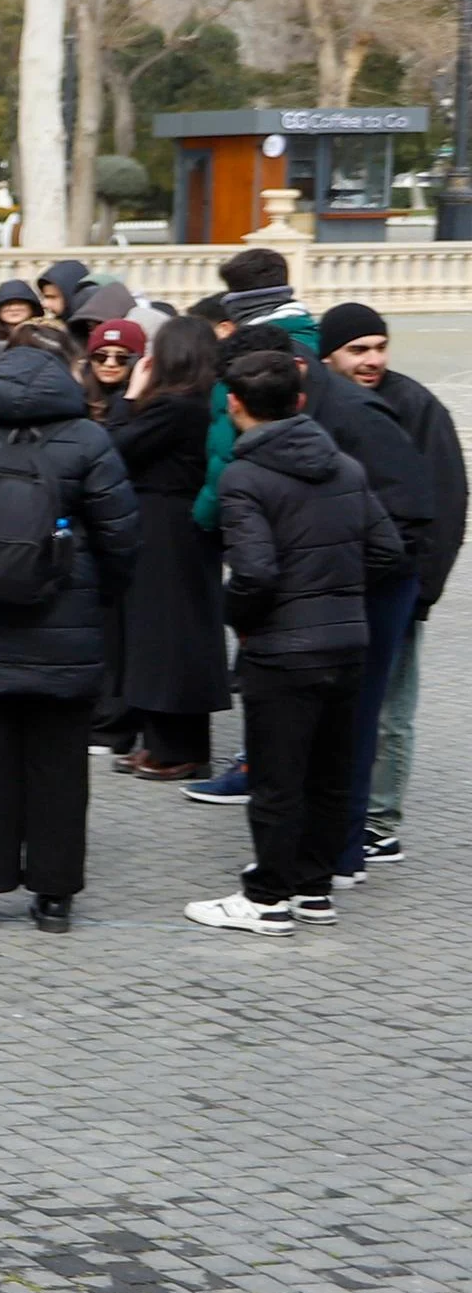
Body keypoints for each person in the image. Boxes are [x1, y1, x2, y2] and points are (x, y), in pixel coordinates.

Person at [0, 327, 138, 932]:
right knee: (60, 767)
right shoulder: (89, 440)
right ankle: (54, 897)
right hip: (66, 630)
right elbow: (121, 538)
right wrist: (96, 597)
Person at [190, 349, 404, 935]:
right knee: (330, 773)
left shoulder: (244, 476)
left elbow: (254, 573)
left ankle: (266, 898)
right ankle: (315, 889)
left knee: (278, 778)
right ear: (300, 401)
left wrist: (242, 618)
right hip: (346, 643)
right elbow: (387, 552)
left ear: (234, 404)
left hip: (282, 649)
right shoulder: (345, 467)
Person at [313, 304, 460, 877]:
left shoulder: (418, 407)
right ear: (330, 356)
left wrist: (422, 591)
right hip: (341, 587)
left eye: (379, 346)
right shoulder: (322, 403)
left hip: (399, 588)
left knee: (391, 709)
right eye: (358, 349)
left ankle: (379, 821)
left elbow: (445, 505)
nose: (372, 359)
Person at [102, 321, 229, 781]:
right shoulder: (200, 403)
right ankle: (165, 743)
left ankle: (178, 749)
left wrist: (129, 398)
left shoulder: (176, 407)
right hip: (179, 524)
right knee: (168, 635)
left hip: (166, 527)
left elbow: (114, 448)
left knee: (167, 638)